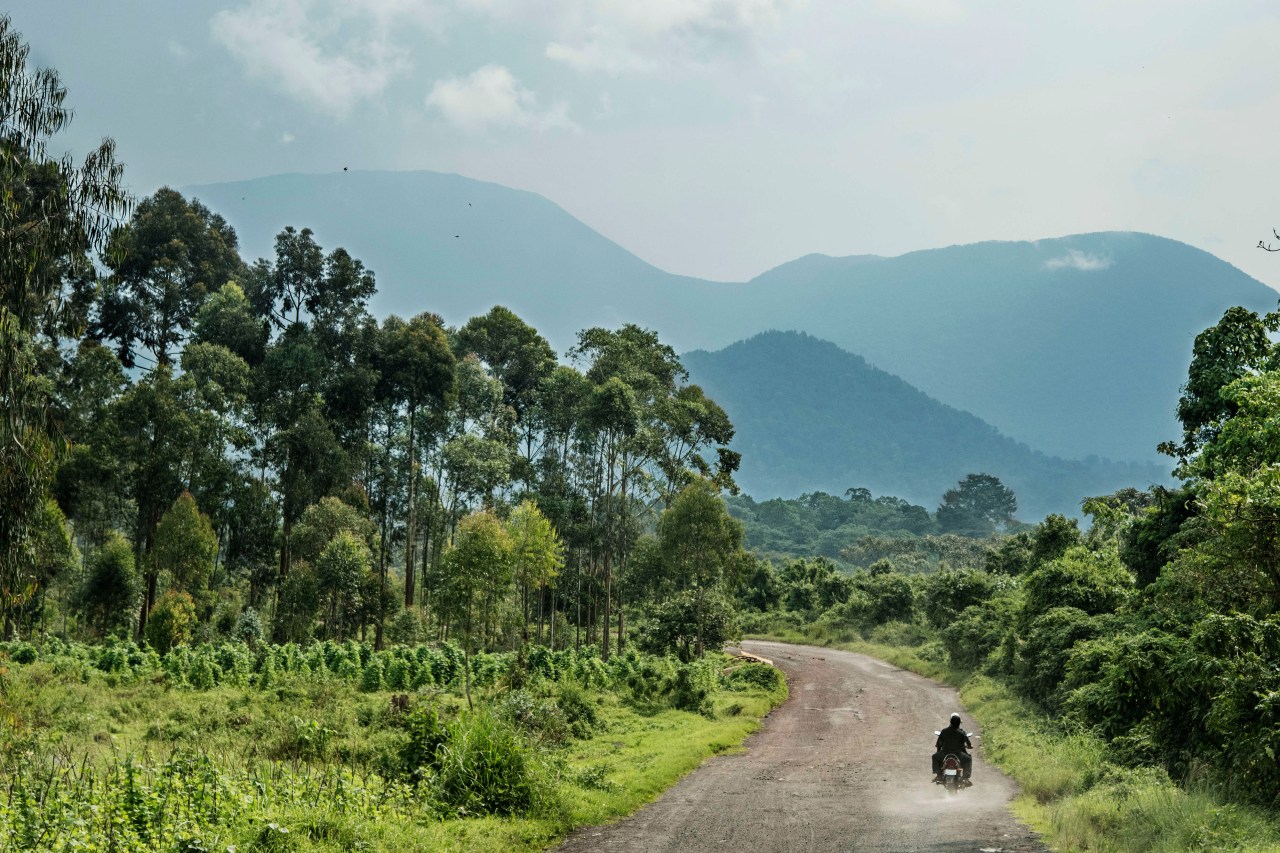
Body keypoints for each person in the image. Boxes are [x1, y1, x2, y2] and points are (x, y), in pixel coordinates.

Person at [932, 712, 973, 782]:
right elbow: (968, 744)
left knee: (934, 756)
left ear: (950, 722)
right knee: (968, 759)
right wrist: (969, 746)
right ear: (959, 723)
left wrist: (938, 749)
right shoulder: (961, 733)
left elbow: (938, 743)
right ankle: (965, 777)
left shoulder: (944, 731)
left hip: (944, 753)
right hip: (958, 754)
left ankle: (938, 775)